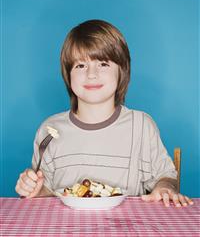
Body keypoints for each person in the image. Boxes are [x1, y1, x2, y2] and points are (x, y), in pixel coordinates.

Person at [15, 19, 193, 207]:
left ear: (121, 71)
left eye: (103, 64)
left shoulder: (141, 126)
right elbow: (47, 194)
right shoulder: (50, 130)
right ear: (68, 75)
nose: (92, 74)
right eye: (80, 66)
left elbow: (165, 176)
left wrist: (165, 187)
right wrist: (35, 189)